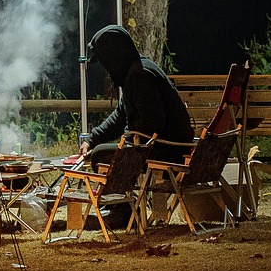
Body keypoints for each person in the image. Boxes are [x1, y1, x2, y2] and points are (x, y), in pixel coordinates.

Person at [78, 24, 193, 166]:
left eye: (105, 62)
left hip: (169, 148)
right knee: (100, 150)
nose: (107, 69)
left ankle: (119, 187)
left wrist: (126, 141)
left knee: (100, 156)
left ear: (113, 57)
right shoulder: (134, 71)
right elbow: (120, 117)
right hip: (162, 144)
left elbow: (152, 122)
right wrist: (91, 140)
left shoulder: (140, 76)